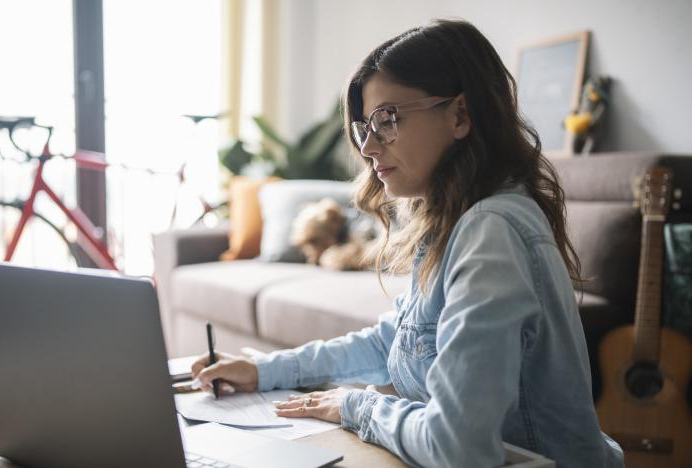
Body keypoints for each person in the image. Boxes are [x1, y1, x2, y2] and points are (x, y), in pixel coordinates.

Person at [191, 19, 624, 467]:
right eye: (365, 127)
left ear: (460, 115)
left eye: (388, 120)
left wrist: (355, 406)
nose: (369, 148)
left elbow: (457, 448)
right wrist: (263, 371)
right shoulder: (451, 223)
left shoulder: (492, 231)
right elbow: (391, 343)